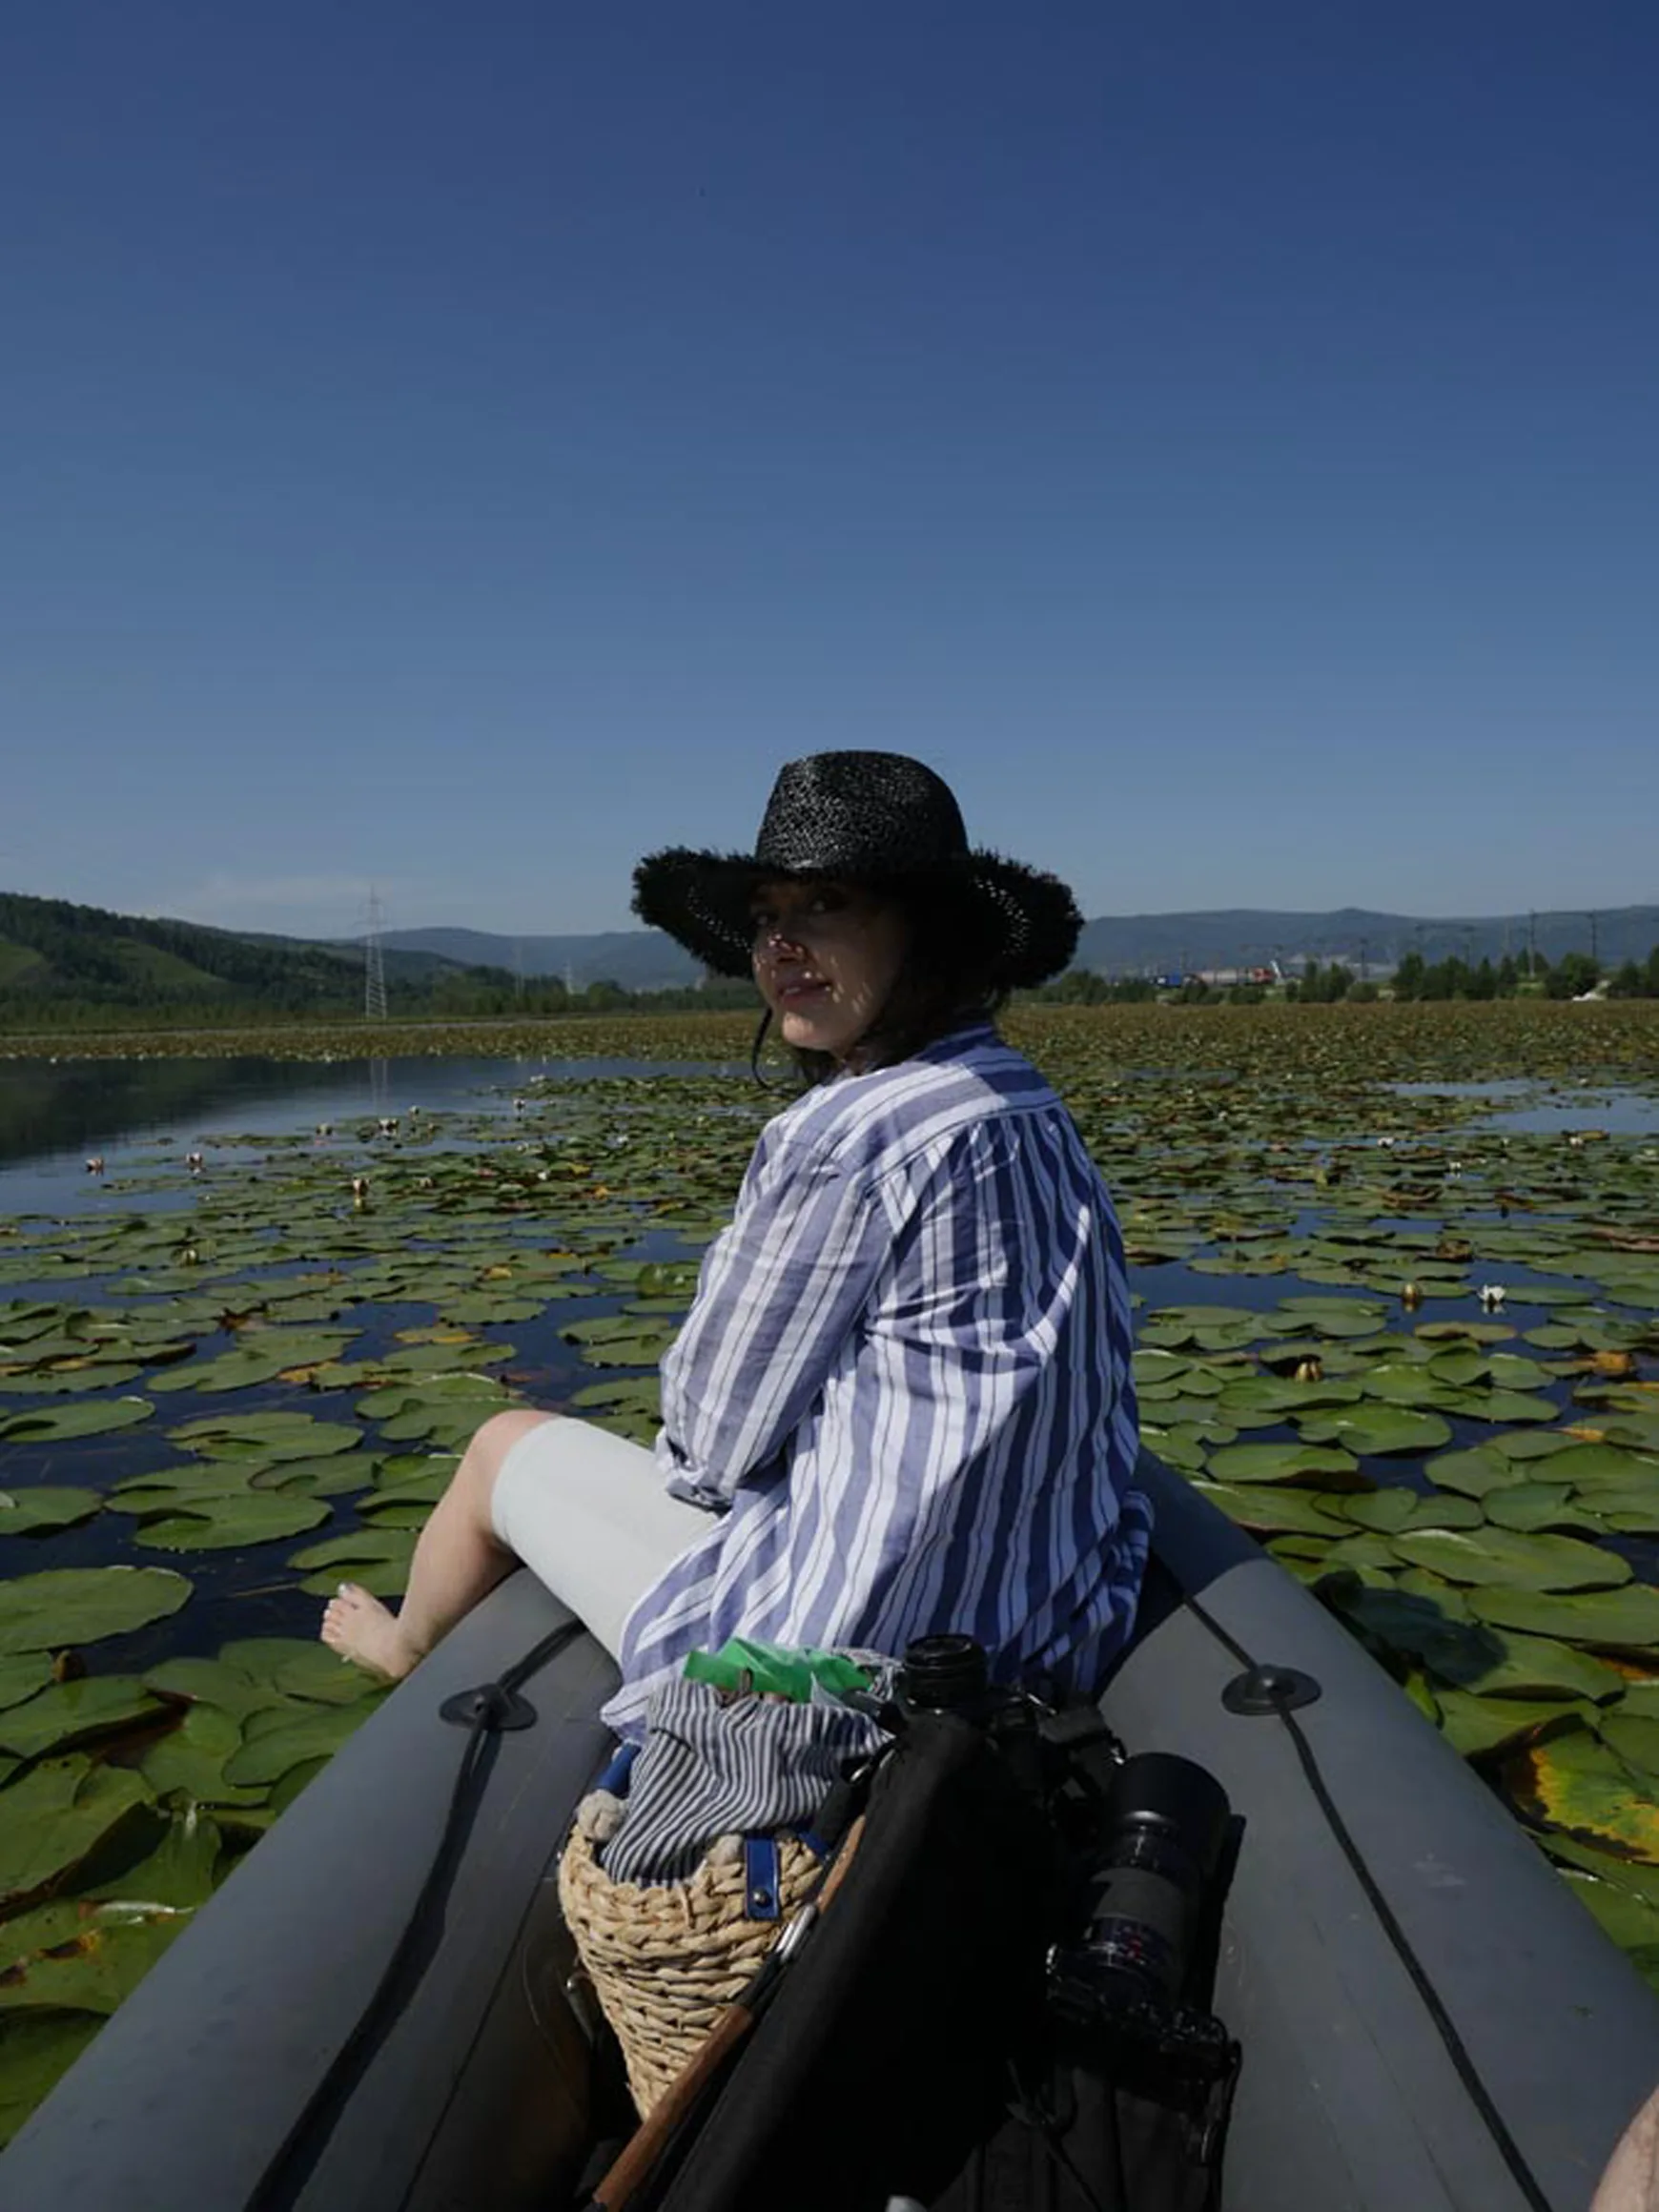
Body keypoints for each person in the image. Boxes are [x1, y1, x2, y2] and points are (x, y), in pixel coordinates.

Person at [322, 751, 1150, 1735]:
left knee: (500, 1445)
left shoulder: (847, 1134)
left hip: (846, 1666)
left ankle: (406, 1648)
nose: (781, 946)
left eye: (826, 904)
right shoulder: (1025, 1097)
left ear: (928, 933)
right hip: (1046, 1632)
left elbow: (709, 1443)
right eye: (766, 917)